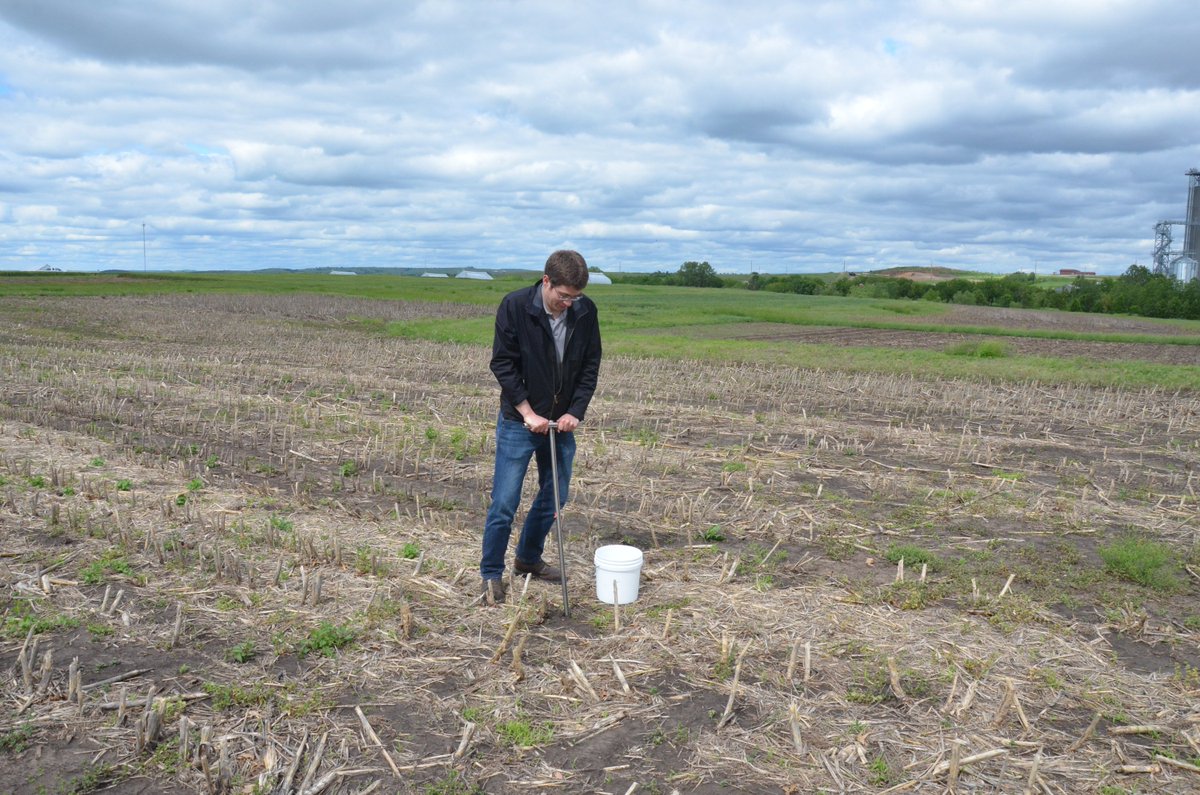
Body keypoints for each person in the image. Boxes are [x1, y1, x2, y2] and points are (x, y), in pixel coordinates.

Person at [479, 250, 602, 604]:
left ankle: (528, 559)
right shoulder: (516, 306)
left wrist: (575, 411)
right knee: (505, 501)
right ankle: (491, 574)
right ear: (546, 281)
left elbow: (590, 364)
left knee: (556, 496)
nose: (569, 303)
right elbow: (502, 364)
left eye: (575, 297)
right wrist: (527, 412)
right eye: (563, 295)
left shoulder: (585, 311)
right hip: (521, 422)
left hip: (561, 424)